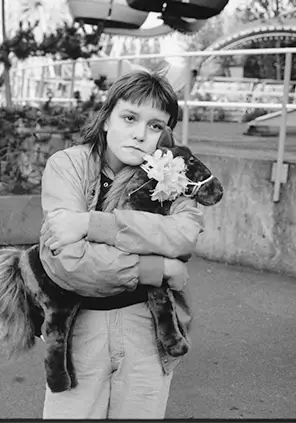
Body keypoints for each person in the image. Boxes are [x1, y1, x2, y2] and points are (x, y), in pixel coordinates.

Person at [37, 70, 204, 419]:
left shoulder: (172, 172)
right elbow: (69, 262)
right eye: (130, 118)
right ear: (107, 118)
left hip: (148, 325)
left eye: (156, 126)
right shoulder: (68, 165)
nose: (141, 134)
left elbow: (183, 234)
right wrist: (159, 267)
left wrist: (90, 223)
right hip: (80, 325)